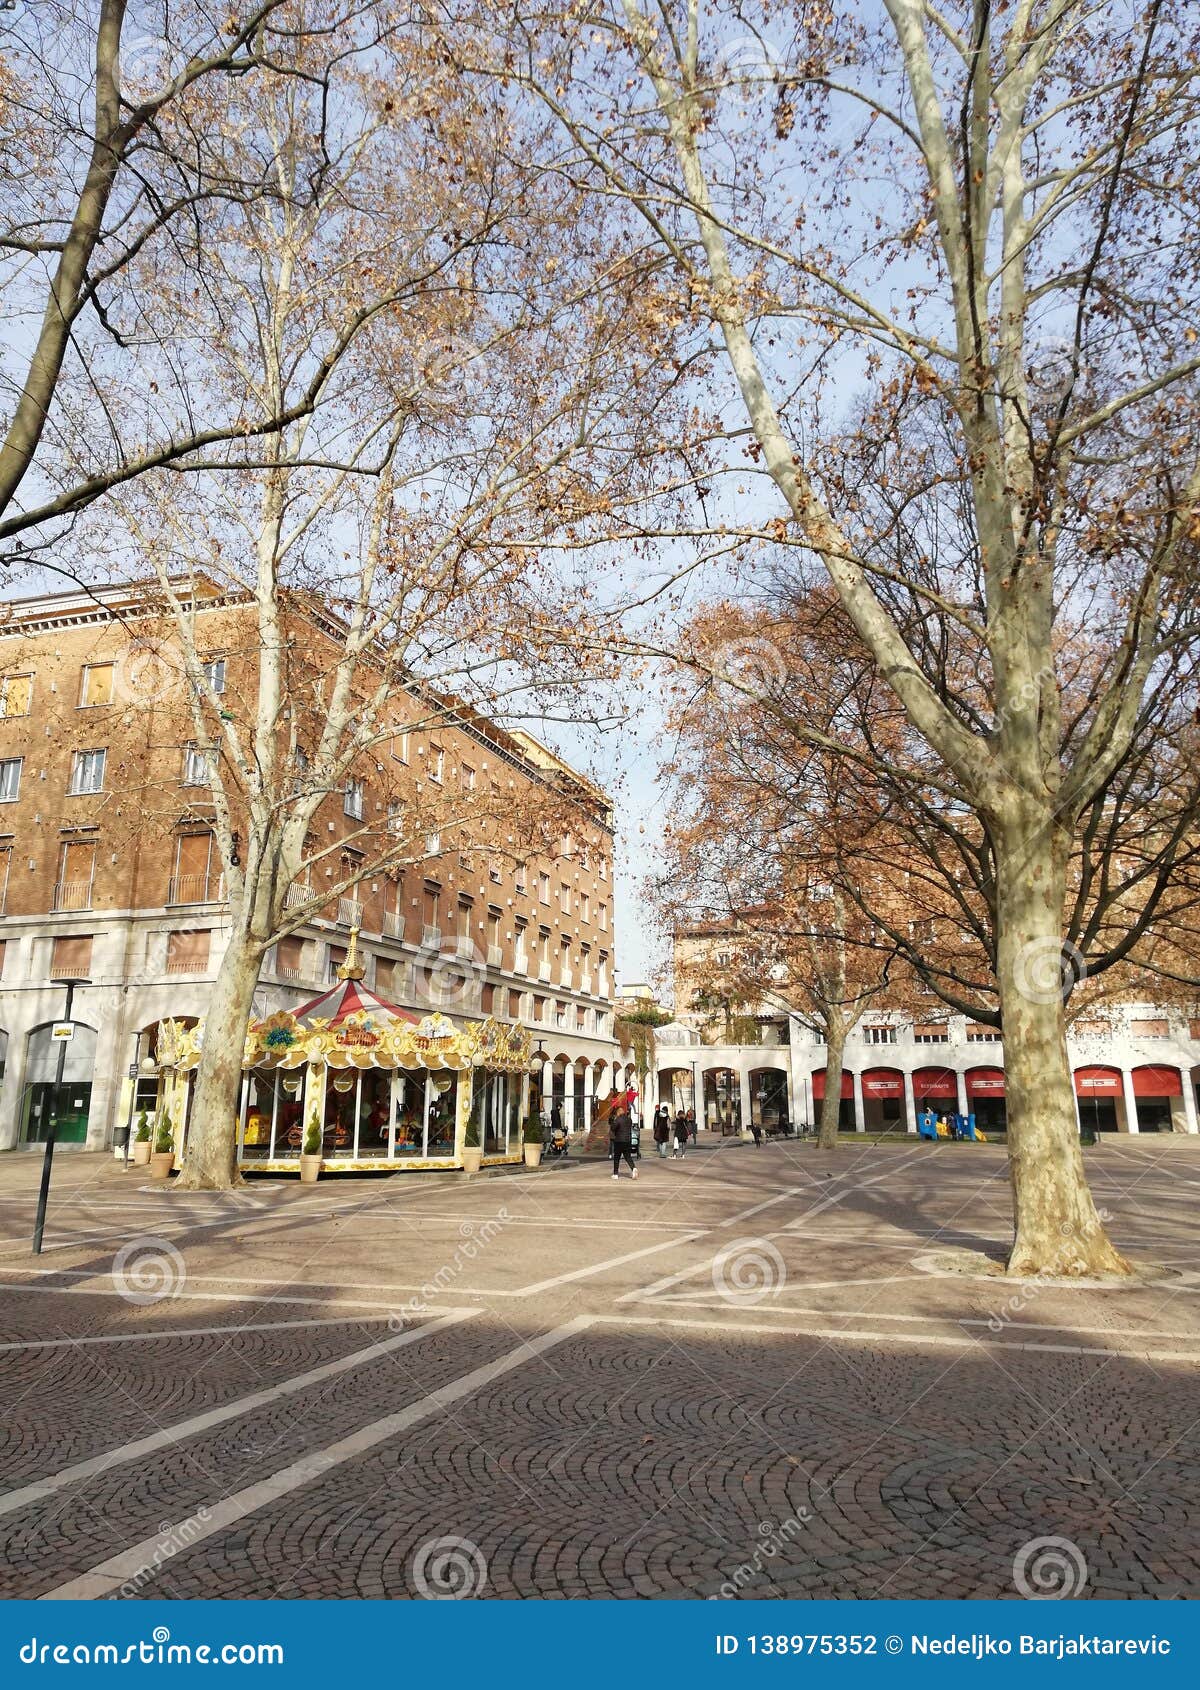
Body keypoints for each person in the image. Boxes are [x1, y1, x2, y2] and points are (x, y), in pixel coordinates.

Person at [609, 1103, 637, 1180]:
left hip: (619, 1141)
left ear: (618, 1112)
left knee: (617, 1157)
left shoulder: (617, 1119)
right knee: (628, 1156)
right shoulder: (629, 1119)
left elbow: (613, 1128)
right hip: (627, 1140)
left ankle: (615, 1174)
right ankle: (633, 1168)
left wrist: (614, 1121)